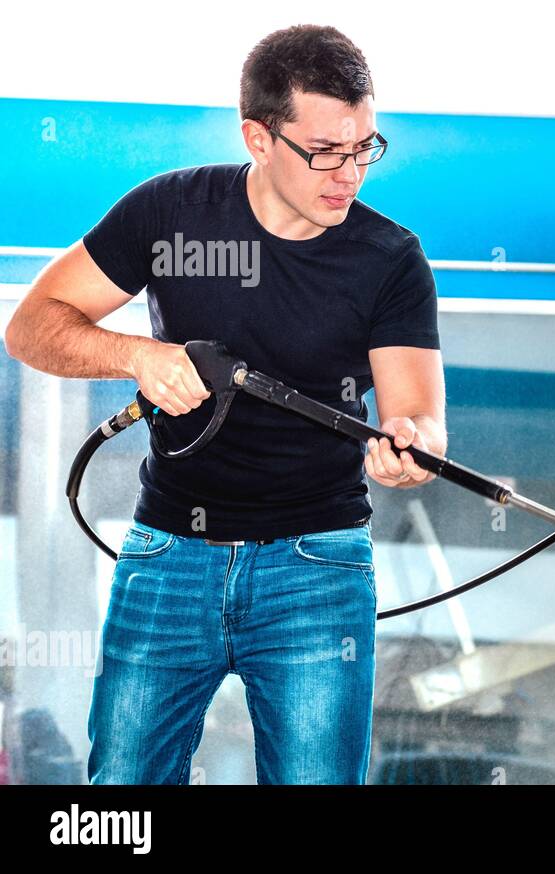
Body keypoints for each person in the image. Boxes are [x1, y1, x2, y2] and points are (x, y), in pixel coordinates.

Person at [2, 24, 446, 784]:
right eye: (324, 152)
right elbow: (31, 328)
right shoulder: (168, 212)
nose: (349, 175)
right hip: (169, 555)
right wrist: (135, 356)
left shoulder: (390, 260)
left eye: (364, 147)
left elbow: (419, 418)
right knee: (121, 802)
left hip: (319, 566)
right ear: (259, 137)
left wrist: (410, 446)